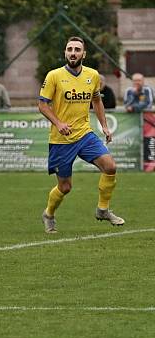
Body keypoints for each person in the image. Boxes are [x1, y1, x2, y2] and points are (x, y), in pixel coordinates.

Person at [38, 36, 124, 234]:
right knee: (65, 187)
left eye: (77, 49)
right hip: (61, 140)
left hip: (85, 134)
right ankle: (49, 214)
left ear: (84, 54)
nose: (73, 52)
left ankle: (103, 210)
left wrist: (104, 126)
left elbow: (97, 101)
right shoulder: (54, 76)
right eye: (70, 49)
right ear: (65, 53)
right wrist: (58, 123)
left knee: (110, 167)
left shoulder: (92, 75)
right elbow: (42, 105)